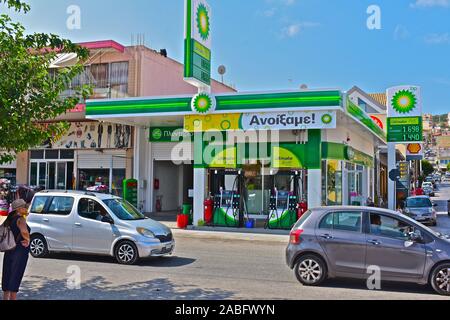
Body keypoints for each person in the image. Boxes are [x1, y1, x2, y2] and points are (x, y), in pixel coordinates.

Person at [2, 199, 31, 300]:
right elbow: (24, 232)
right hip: (19, 250)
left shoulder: (9, 219)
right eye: (25, 206)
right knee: (15, 276)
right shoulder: (20, 219)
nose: (26, 208)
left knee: (7, 276)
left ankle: (6, 298)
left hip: (9, 249)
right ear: (19, 209)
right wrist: (28, 239)